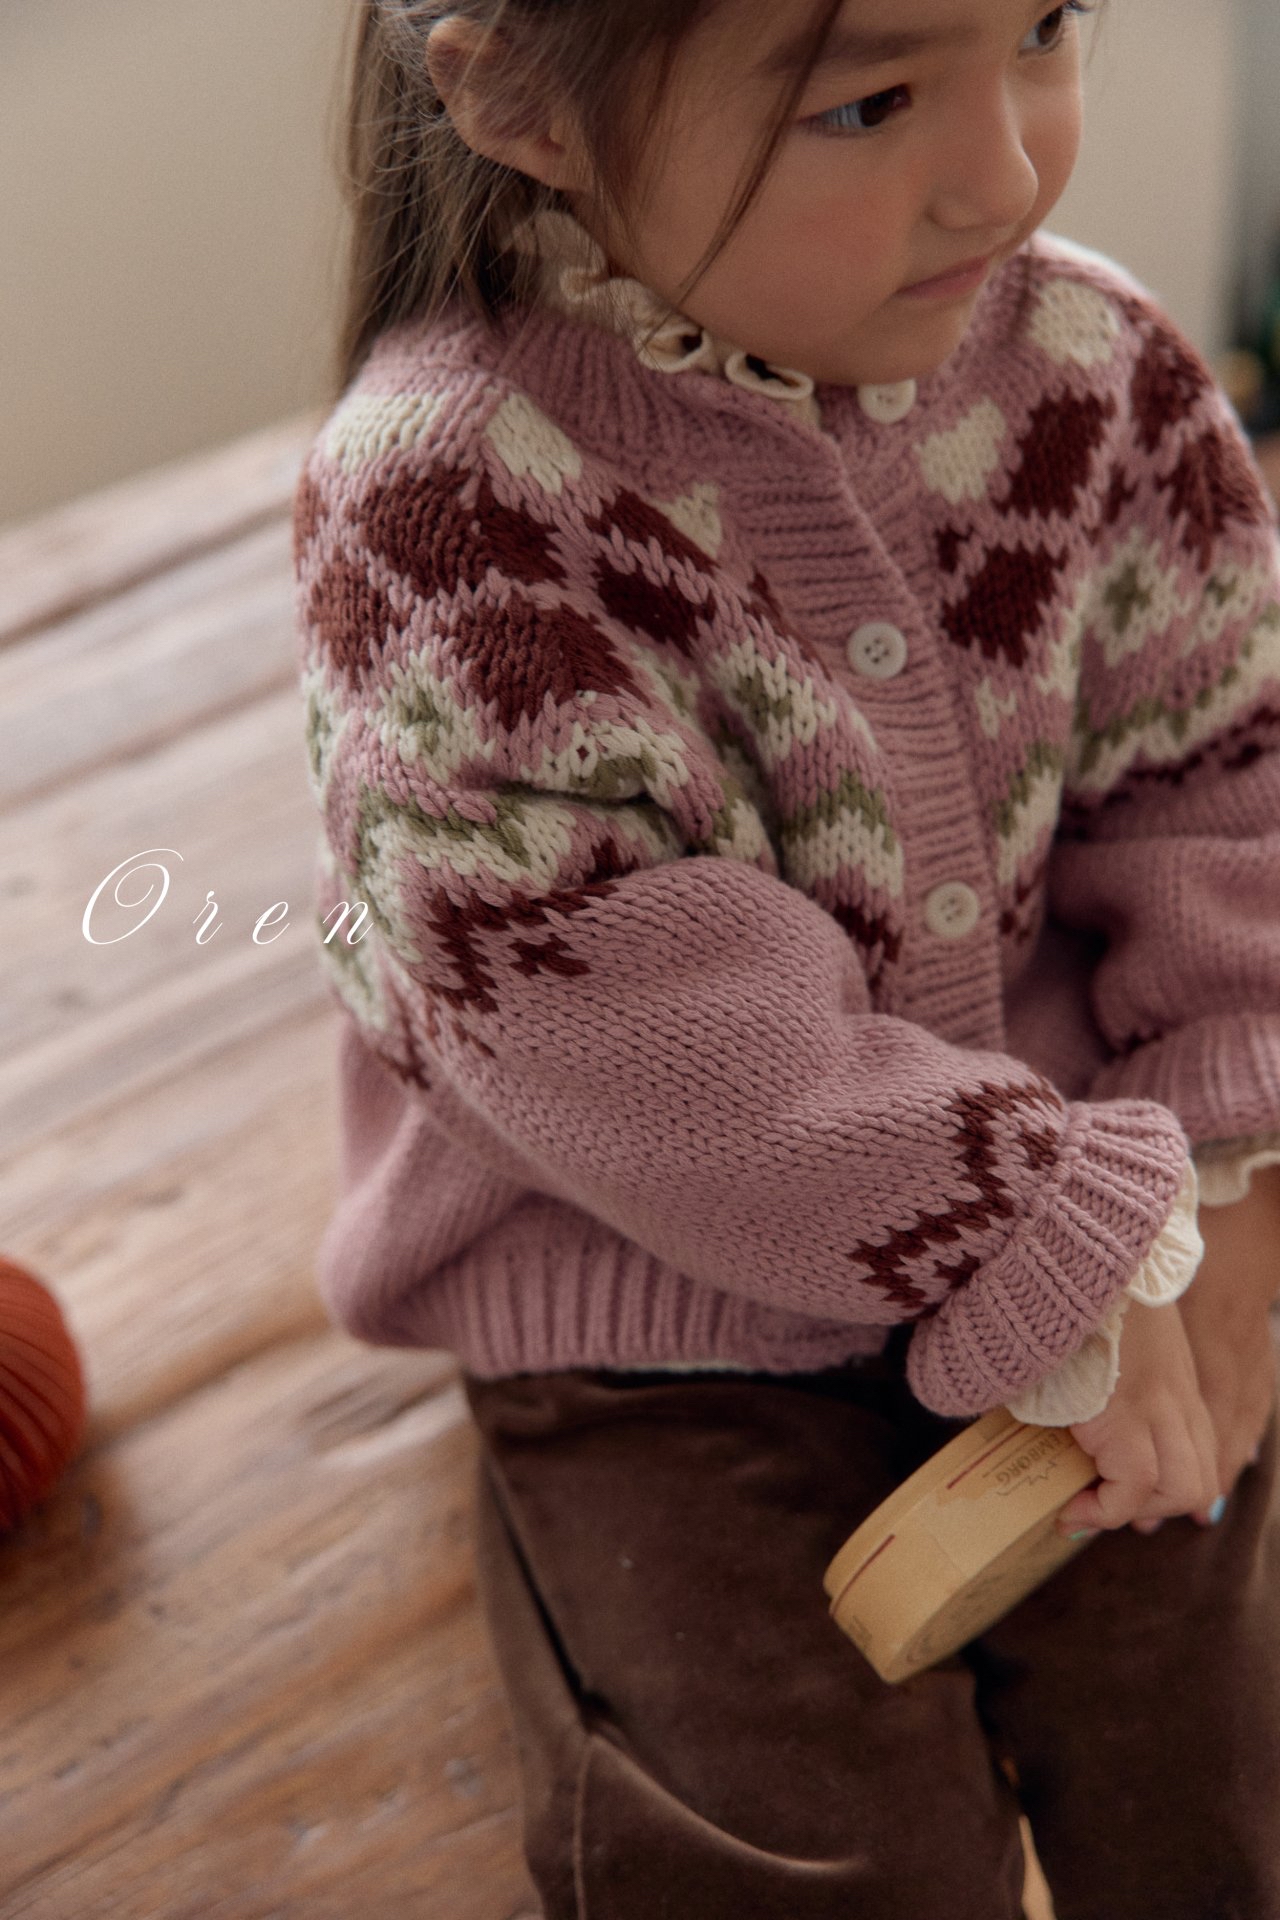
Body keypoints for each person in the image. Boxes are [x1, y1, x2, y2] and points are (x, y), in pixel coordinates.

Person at [292, 0, 1280, 1910]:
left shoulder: (1099, 379)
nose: (1006, 171)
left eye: (1048, 26)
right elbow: (613, 1027)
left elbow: (1226, 799)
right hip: (651, 1316)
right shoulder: (446, 506)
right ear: (519, 98)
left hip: (1113, 1211)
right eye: (872, 100)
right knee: (816, 1863)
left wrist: (1227, 1163)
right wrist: (1040, 1224)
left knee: (1224, 1782)